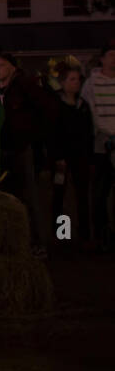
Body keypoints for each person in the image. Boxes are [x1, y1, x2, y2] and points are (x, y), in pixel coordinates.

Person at [0, 52, 58, 258]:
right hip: (3, 148)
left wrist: (32, 134)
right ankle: (16, 240)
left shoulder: (24, 86)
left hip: (21, 147)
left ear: (12, 67)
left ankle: (38, 243)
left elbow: (48, 108)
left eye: (2, 65)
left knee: (29, 195)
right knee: (8, 196)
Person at [51, 65, 95, 251]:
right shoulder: (57, 106)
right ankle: (62, 234)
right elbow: (53, 133)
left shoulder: (83, 105)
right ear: (63, 83)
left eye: (78, 79)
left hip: (80, 157)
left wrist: (89, 155)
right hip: (63, 158)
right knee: (61, 196)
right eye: (72, 79)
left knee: (82, 195)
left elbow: (88, 132)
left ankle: (84, 234)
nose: (76, 83)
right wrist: (57, 155)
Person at [80, 44, 115, 251]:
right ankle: (101, 233)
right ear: (102, 59)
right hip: (102, 145)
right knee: (100, 191)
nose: (114, 60)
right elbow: (91, 113)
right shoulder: (91, 84)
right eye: (111, 55)